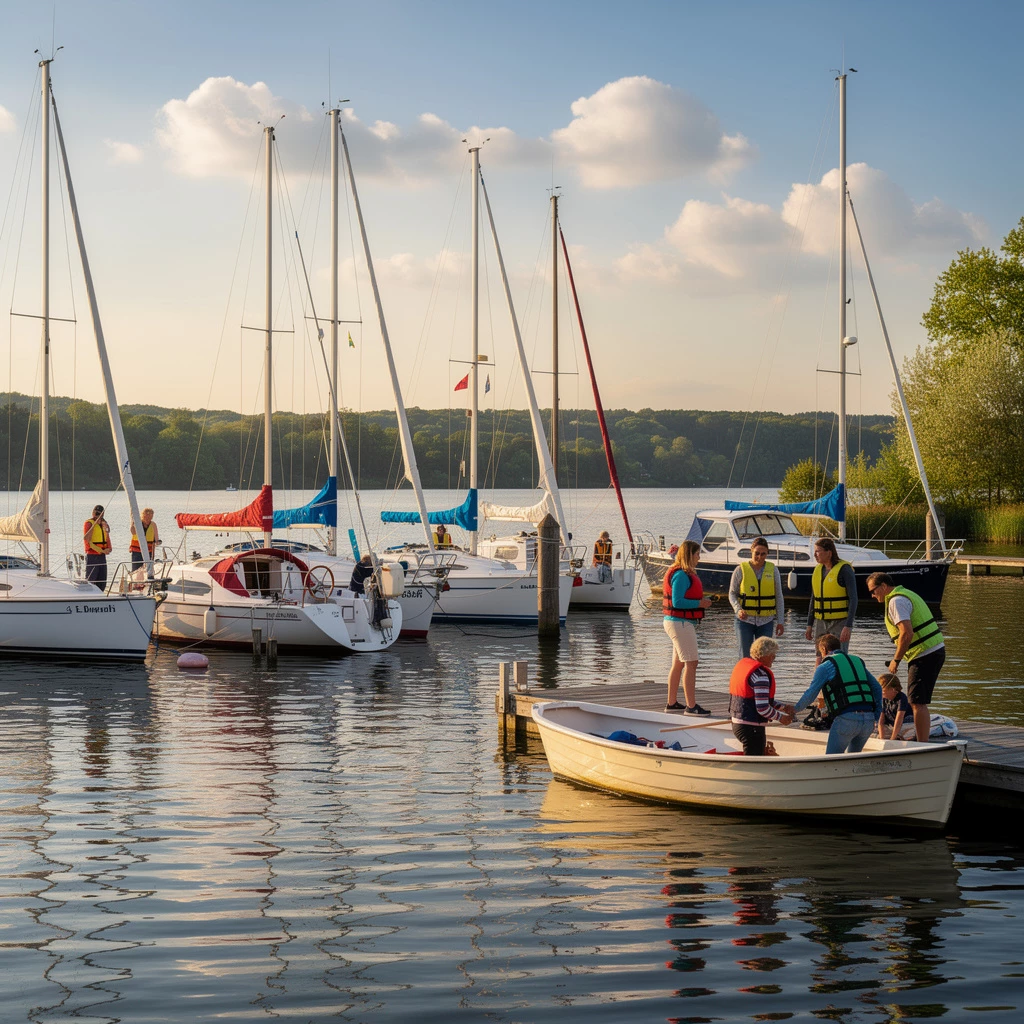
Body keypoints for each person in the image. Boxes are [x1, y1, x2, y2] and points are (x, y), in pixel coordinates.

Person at [866, 571, 946, 743]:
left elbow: (906, 634)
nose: (872, 595)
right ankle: (921, 740)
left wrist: (896, 660)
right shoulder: (904, 594)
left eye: (873, 590)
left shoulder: (896, 601)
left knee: (917, 702)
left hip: (925, 653)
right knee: (917, 700)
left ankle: (922, 744)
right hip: (930, 651)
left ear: (884, 586)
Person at [794, 634, 883, 754]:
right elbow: (877, 688)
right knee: (853, 759)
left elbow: (811, 694)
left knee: (832, 761)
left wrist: (794, 710)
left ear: (824, 649)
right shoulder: (857, 661)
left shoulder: (825, 666)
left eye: (820, 653)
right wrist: (876, 715)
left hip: (847, 720)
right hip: (868, 720)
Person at [663, 539, 713, 715]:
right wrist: (700, 603)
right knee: (692, 663)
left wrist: (701, 600)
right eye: (697, 554)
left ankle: (672, 703)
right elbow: (677, 602)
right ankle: (691, 706)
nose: (699, 557)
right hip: (680, 623)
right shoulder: (681, 575)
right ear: (689, 555)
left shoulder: (682, 574)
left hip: (677, 622)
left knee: (678, 663)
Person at [728, 636, 795, 756]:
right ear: (764, 655)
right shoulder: (761, 676)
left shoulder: (747, 667)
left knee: (755, 755)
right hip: (751, 727)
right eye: (772, 654)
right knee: (754, 762)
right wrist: (781, 718)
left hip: (738, 723)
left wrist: (783, 707)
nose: (774, 657)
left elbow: (759, 699)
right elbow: (763, 708)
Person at [729, 536, 785, 659]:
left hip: (766, 621)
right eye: (757, 553)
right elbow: (732, 593)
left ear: (767, 554)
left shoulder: (773, 570)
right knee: (745, 657)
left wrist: (780, 621)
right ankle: (745, 678)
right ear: (751, 551)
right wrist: (738, 610)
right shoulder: (740, 570)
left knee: (764, 656)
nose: (760, 557)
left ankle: (762, 678)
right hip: (745, 621)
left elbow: (779, 597)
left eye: (763, 554)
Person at [804, 537, 857, 663]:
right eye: (815, 551)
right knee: (819, 656)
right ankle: (818, 681)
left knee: (838, 657)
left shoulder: (845, 569)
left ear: (829, 552)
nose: (815, 554)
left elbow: (853, 599)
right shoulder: (818, 570)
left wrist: (848, 625)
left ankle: (839, 681)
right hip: (821, 621)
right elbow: (814, 598)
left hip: (840, 622)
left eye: (818, 551)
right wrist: (809, 624)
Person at [82, 504, 112, 591]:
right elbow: (87, 539)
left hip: (102, 556)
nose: (98, 516)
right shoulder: (89, 523)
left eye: (100, 514)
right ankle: (90, 596)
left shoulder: (104, 523)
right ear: (93, 513)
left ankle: (100, 595)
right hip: (93, 556)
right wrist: (101, 550)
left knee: (102, 581)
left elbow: (107, 535)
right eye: (96, 513)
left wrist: (109, 548)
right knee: (91, 580)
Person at [877, 673, 913, 740]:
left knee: (906, 729)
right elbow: (881, 721)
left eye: (883, 691)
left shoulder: (902, 698)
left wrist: (892, 739)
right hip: (891, 724)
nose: (881, 693)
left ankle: (897, 735)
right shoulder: (884, 699)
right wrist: (882, 738)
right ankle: (895, 734)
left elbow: (899, 720)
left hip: (904, 723)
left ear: (893, 689)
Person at [129, 507, 160, 571]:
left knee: (148, 569)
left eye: (150, 517)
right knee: (136, 570)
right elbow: (133, 532)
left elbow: (156, 539)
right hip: (137, 551)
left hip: (148, 551)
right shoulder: (138, 523)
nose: (148, 519)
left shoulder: (153, 525)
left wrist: (157, 542)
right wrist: (132, 521)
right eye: (146, 517)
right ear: (143, 516)